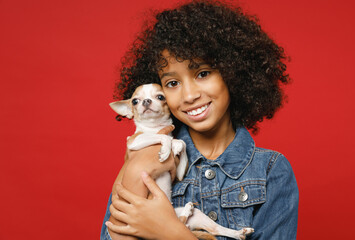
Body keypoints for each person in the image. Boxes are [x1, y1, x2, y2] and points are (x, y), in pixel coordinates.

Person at [101, 0, 299, 239]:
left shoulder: (270, 172)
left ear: (232, 71)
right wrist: (135, 169)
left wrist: (172, 233)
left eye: (203, 73)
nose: (190, 95)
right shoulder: (144, 154)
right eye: (172, 83)